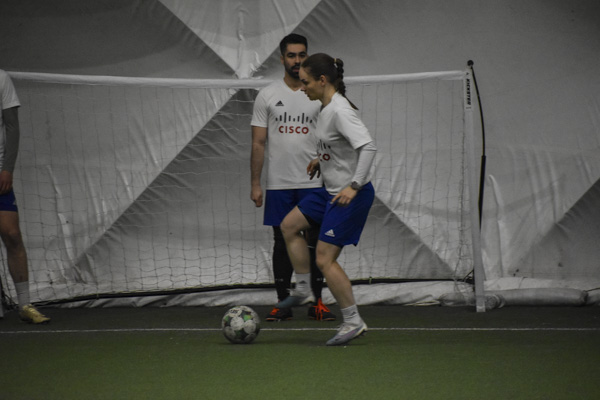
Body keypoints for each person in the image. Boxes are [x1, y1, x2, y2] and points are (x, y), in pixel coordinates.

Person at [276, 53, 377, 346]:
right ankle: (303, 289)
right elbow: (337, 145)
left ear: (322, 80)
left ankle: (353, 321)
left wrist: (354, 186)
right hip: (330, 190)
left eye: (305, 82)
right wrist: (320, 160)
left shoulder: (340, 111)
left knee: (324, 258)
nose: (301, 87)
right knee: (289, 226)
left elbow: (368, 147)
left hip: (349, 196)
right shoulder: (325, 107)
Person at [250, 34, 336, 322]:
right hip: (279, 184)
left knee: (316, 242)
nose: (297, 60)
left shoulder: (318, 93)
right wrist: (255, 183)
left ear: (307, 57)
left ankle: (317, 303)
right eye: (291, 55)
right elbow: (258, 142)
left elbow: (333, 136)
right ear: (282, 58)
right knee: (281, 242)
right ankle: (283, 304)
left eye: (302, 55)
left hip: (314, 182)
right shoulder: (267, 95)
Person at [0, 69, 50, 324]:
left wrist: (7, 167)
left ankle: (25, 304)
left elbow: (12, 126)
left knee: (12, 234)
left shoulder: (1, 78)